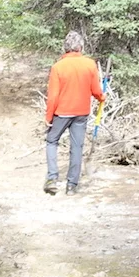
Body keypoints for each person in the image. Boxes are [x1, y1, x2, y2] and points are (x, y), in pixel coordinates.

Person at [43, 31, 106, 195]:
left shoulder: (58, 67)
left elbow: (53, 96)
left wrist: (49, 117)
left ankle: (52, 178)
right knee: (76, 147)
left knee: (51, 141)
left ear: (65, 48)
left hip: (62, 112)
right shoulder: (90, 64)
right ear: (81, 47)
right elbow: (96, 91)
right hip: (81, 112)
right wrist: (101, 97)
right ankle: (72, 186)